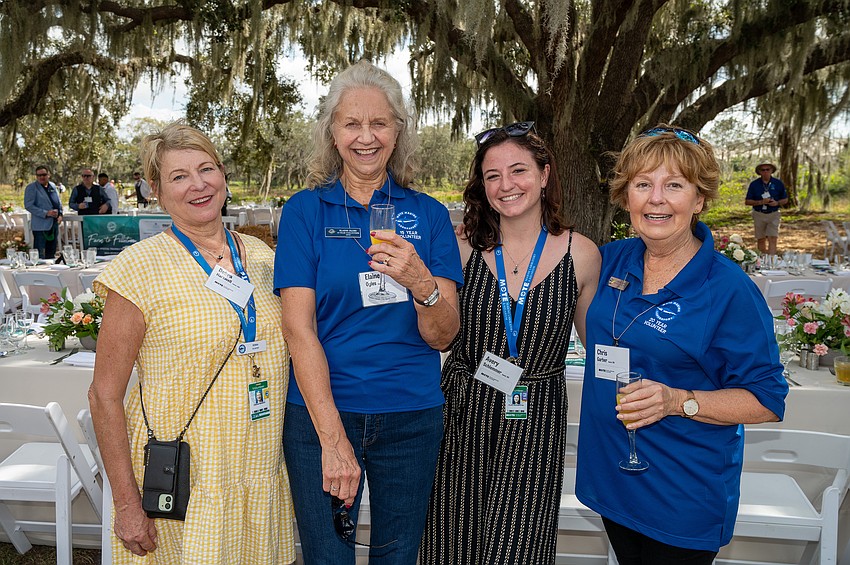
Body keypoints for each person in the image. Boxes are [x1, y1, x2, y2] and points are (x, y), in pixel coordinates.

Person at [275, 60, 463, 564]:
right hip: (321, 417)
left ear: (397, 131)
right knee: (328, 556)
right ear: (332, 132)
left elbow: (444, 335)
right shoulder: (305, 211)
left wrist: (421, 283)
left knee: (397, 556)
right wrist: (333, 439)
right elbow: (298, 330)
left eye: (379, 123)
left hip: (410, 417)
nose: (366, 137)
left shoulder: (428, 214)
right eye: (351, 124)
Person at [575, 125, 788, 564]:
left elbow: (768, 399)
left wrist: (677, 401)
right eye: (642, 184)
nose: (656, 198)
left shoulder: (729, 289)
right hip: (613, 478)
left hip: (681, 492)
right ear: (626, 196)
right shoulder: (607, 258)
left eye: (674, 185)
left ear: (699, 199)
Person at [88, 122, 295, 563]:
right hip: (187, 483)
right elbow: (104, 395)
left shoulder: (264, 258)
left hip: (259, 472)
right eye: (179, 176)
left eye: (207, 169)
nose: (198, 185)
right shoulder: (138, 269)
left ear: (223, 175)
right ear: (156, 191)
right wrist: (126, 503)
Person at [419, 122, 601, 564]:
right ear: (481, 186)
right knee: (450, 540)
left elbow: (597, 345)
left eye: (518, 171)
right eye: (492, 175)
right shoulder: (460, 249)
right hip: (464, 410)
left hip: (536, 414)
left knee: (519, 545)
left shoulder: (583, 254)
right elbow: (437, 327)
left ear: (544, 174)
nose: (506, 185)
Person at [744, 162, 788, 255]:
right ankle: (762, 261)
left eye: (767, 169)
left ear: (772, 171)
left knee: (773, 237)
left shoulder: (778, 183)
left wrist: (777, 203)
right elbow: (747, 201)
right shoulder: (754, 184)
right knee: (761, 238)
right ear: (759, 172)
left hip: (774, 213)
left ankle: (771, 260)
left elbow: (785, 199)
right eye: (763, 170)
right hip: (759, 213)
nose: (765, 172)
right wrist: (760, 202)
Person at [23, 165, 63, 259]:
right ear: (36, 176)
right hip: (40, 227)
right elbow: (29, 205)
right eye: (39, 175)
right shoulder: (31, 188)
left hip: (53, 225)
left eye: (44, 174)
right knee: (40, 255)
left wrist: (60, 214)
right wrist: (46, 213)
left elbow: (58, 202)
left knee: (51, 254)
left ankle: (51, 273)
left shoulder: (52, 186)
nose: (42, 177)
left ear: (48, 175)